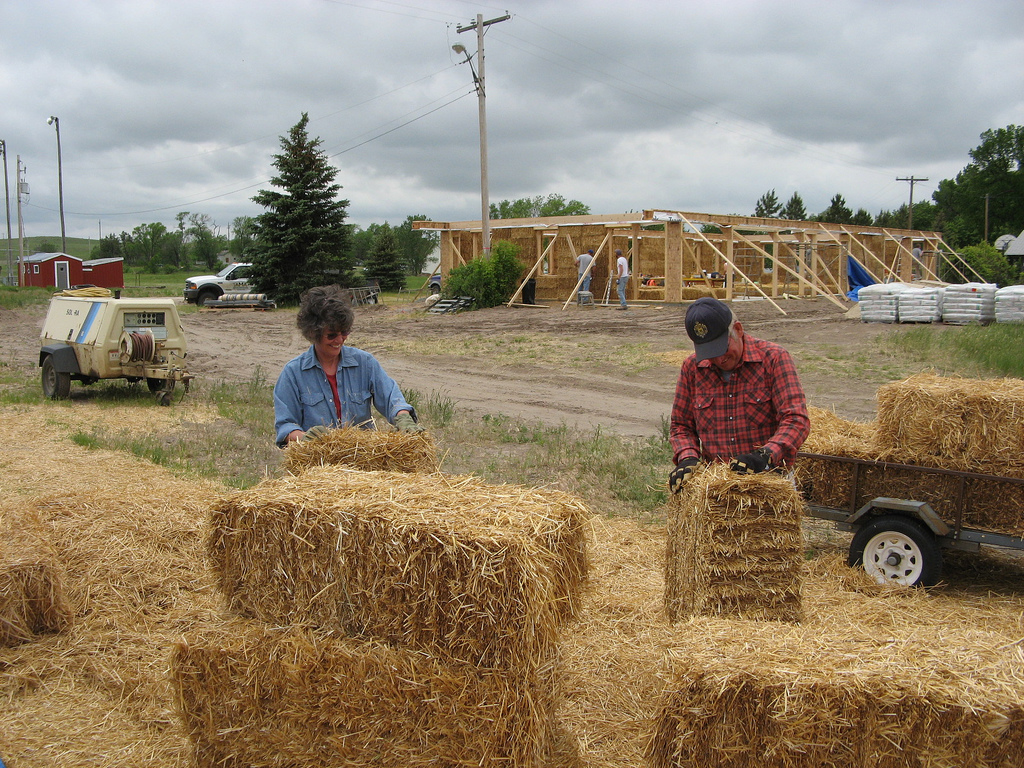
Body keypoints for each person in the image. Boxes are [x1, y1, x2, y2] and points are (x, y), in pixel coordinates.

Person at [668, 296, 809, 492]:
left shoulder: (774, 359)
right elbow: (681, 425)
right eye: (710, 352)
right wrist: (688, 457)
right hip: (716, 486)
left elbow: (796, 419)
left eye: (723, 348)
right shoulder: (692, 368)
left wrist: (765, 455)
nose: (719, 359)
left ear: (738, 330)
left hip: (769, 482)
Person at [274, 285, 422, 447]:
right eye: (332, 335)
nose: (339, 340)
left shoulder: (365, 363)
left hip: (363, 455)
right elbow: (285, 426)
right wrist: (306, 438)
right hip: (320, 461)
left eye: (344, 332)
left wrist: (403, 418)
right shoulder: (293, 373)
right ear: (313, 333)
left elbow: (391, 398)